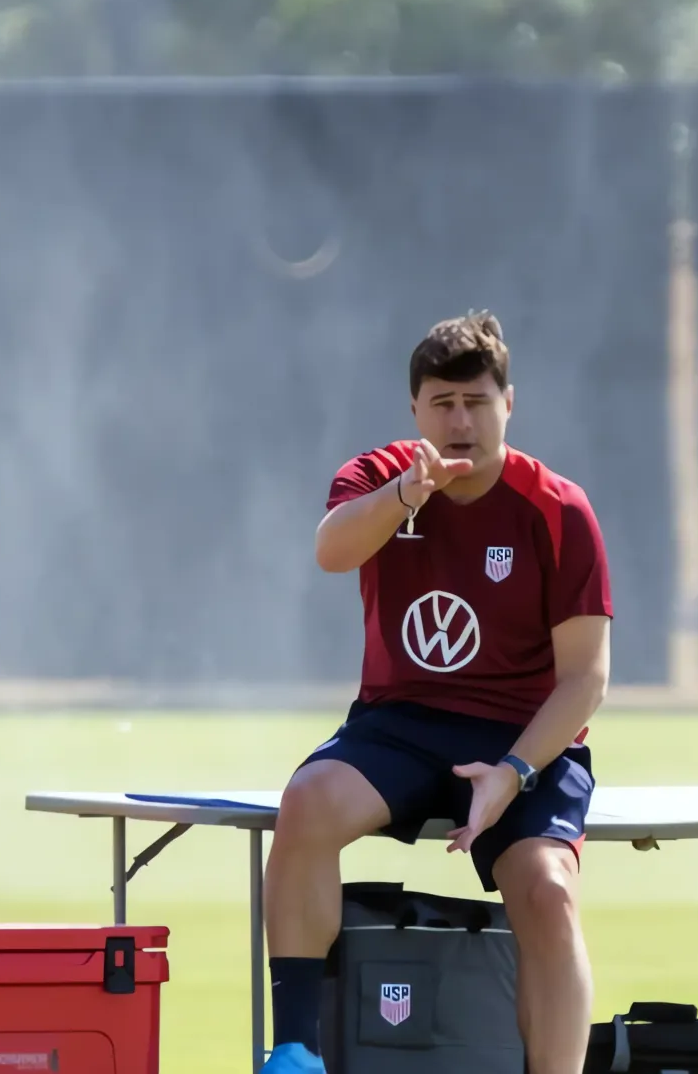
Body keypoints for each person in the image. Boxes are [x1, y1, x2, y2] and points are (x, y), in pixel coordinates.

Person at [262, 311, 613, 1074]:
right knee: (308, 803)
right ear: (416, 412)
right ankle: (294, 1052)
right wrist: (404, 498)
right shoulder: (378, 478)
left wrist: (513, 773)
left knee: (547, 893)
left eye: (478, 402)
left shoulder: (558, 510)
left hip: (522, 738)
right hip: (401, 725)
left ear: (509, 405)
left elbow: (586, 678)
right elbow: (331, 551)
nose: (461, 422)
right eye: (443, 404)